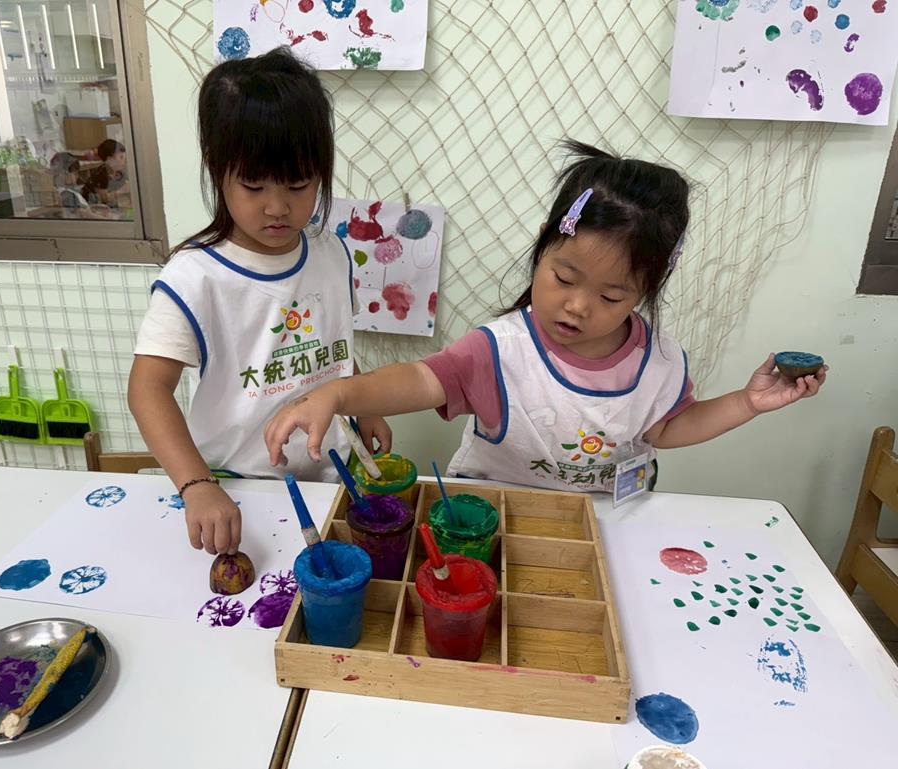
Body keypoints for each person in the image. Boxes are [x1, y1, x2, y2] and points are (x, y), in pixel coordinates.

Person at [263, 140, 827, 493]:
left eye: (612, 296)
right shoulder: (500, 349)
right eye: (564, 277)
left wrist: (747, 403)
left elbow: (668, 427)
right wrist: (340, 394)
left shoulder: (658, 360)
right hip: (493, 518)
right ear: (542, 247)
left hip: (603, 526)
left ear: (645, 291)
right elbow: (418, 379)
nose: (578, 306)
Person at [129, 48, 391, 556]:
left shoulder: (331, 252)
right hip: (237, 491)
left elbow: (333, 349)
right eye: (253, 186)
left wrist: (365, 405)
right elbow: (147, 390)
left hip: (330, 477)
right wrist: (196, 485)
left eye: (298, 185)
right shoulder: (195, 276)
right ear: (217, 170)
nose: (277, 207)